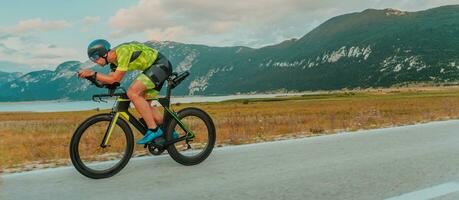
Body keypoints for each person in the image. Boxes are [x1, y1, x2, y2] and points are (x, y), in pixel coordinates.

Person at [77, 39, 177, 144]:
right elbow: (110, 81)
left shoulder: (122, 52)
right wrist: (91, 78)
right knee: (145, 105)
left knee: (132, 92)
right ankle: (170, 132)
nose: (94, 61)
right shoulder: (114, 64)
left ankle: (153, 130)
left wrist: (93, 73)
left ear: (103, 53)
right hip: (154, 68)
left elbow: (115, 79)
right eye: (92, 59)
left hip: (160, 64)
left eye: (95, 57)